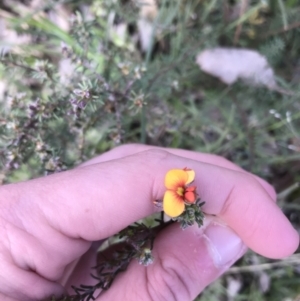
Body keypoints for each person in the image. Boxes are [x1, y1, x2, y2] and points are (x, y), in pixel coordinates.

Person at [0, 144, 298, 301]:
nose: (185, 192)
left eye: (185, 192)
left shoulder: (180, 192)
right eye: (183, 192)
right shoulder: (176, 194)